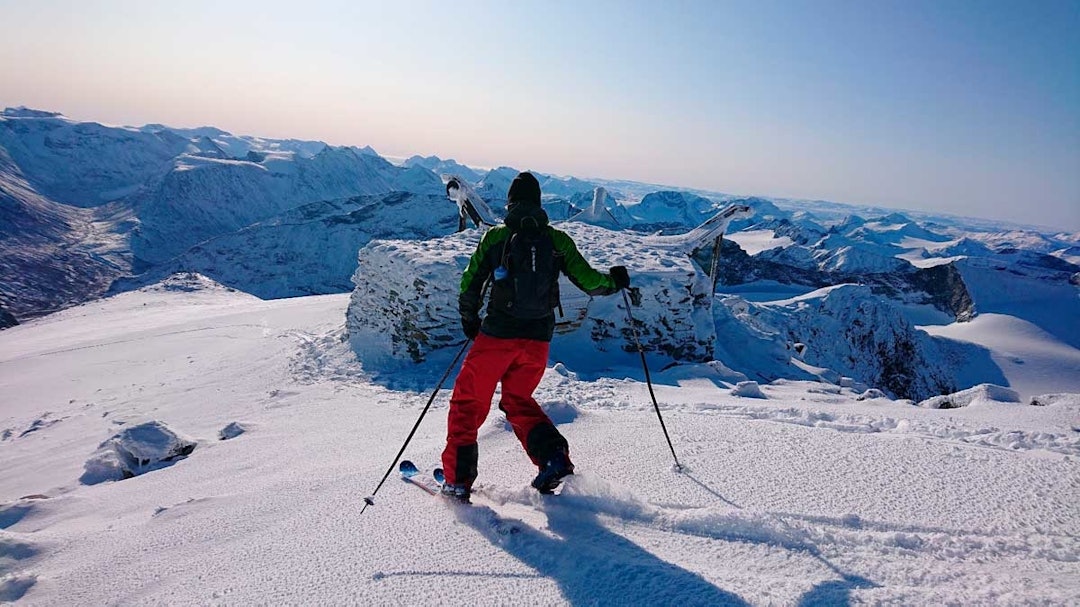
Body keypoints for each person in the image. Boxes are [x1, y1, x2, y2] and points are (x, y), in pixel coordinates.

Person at [440, 171, 630, 502]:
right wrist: (615, 281)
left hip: (498, 335)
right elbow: (589, 281)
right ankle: (553, 459)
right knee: (518, 401)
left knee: (468, 403)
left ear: (511, 202)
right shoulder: (558, 241)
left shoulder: (497, 237)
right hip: (538, 340)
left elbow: (470, 282)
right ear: (539, 204)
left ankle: (457, 481)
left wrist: (469, 319)